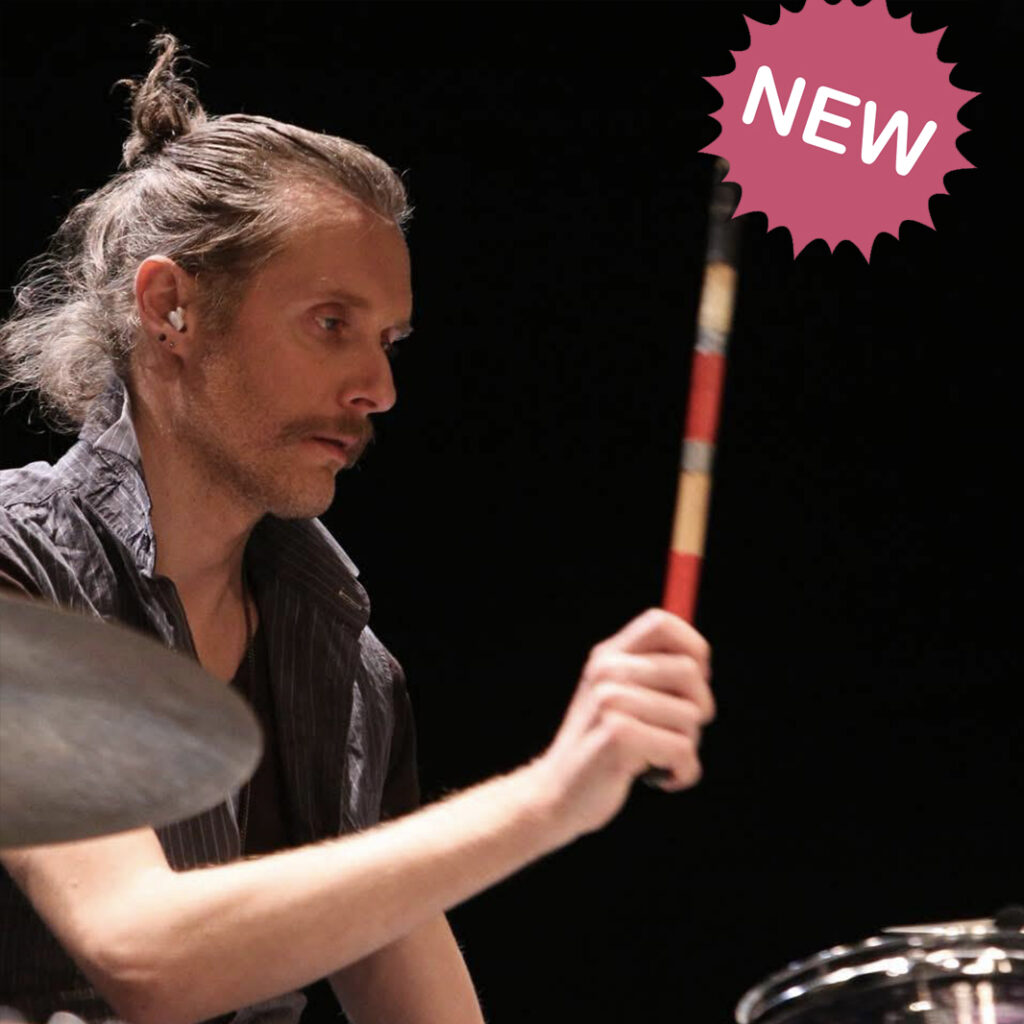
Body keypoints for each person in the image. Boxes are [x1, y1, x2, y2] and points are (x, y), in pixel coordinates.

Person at [0, 36, 715, 1024]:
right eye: (330, 322)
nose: (378, 388)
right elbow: (142, 950)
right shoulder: (18, 570)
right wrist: (550, 795)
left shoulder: (348, 668)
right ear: (171, 308)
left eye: (387, 341)